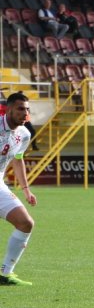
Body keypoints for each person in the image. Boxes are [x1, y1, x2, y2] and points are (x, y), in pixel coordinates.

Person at [0, 92, 37, 287]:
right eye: (20, 109)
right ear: (9, 109)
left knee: (26, 223)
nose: (25, 113)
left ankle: (6, 273)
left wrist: (26, 190)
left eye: (27, 109)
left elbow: (18, 159)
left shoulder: (24, 134)